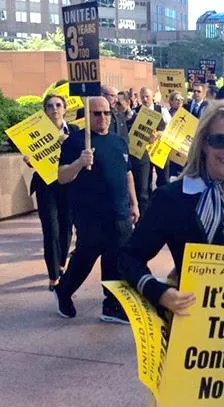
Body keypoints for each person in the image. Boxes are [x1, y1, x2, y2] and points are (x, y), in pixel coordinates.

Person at [118, 100, 224, 313]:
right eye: (219, 140)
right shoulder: (172, 198)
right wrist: (160, 293)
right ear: (203, 143)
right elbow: (129, 257)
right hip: (194, 327)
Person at [53, 96, 140, 323]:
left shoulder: (119, 142)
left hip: (120, 214)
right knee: (85, 258)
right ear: (87, 116)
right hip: (91, 216)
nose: (103, 118)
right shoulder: (75, 142)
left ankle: (111, 306)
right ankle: (64, 290)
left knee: (116, 260)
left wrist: (134, 204)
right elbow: (62, 177)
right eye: (96, 113)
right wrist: (79, 163)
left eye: (106, 113)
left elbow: (127, 173)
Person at [26, 95, 76, 291]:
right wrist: (29, 159)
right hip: (46, 186)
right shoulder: (35, 133)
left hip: (68, 185)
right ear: (44, 110)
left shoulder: (74, 131)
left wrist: (69, 143)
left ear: (64, 108)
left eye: (57, 105)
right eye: (49, 106)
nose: (54, 109)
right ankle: (53, 275)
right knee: (51, 229)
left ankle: (61, 263)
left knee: (66, 228)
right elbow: (32, 156)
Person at [138, 87, 171, 189]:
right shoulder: (136, 111)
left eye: (147, 96)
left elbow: (170, 127)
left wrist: (161, 133)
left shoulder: (162, 110)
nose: (145, 99)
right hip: (144, 151)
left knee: (164, 179)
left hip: (159, 149)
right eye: (142, 97)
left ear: (152, 96)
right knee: (145, 181)